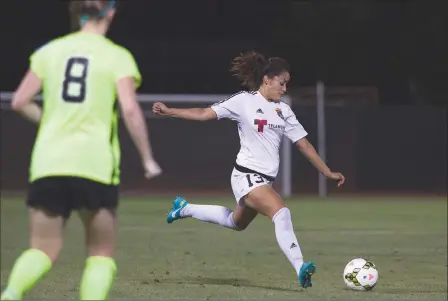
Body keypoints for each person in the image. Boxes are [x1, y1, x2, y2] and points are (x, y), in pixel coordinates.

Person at [0, 1, 162, 300]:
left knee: (42, 249)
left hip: (49, 163)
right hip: (94, 164)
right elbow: (129, 109)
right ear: (110, 13)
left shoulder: (49, 51)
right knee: (100, 254)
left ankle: (10, 294)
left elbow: (19, 101)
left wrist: (51, 120)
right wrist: (147, 158)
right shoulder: (117, 56)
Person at [152, 51, 345, 289]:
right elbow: (204, 114)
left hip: (264, 181)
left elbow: (303, 143)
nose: (284, 89)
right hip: (245, 175)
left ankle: (185, 209)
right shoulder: (244, 101)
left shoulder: (284, 111)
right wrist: (171, 111)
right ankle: (300, 267)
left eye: (286, 84)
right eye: (282, 83)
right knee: (281, 212)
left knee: (236, 223)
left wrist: (326, 172)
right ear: (267, 79)